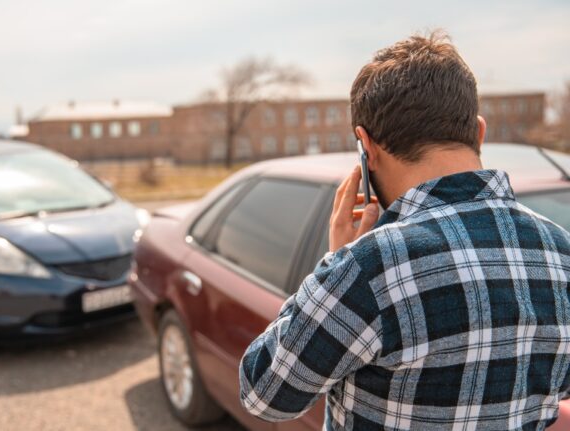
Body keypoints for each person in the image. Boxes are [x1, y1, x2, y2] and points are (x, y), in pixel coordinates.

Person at [239, 31, 570, 430]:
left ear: (366, 147)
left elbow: (265, 395)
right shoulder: (561, 252)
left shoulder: (368, 267)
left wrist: (334, 262)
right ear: (479, 132)